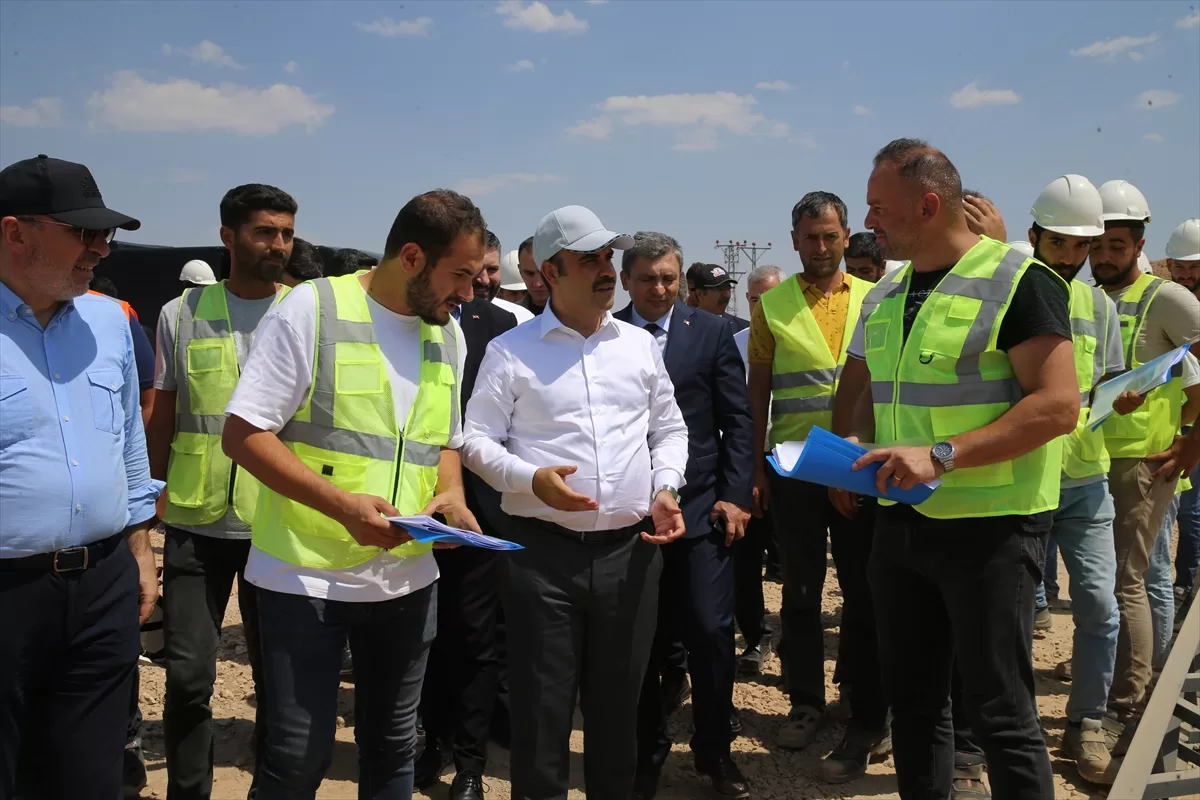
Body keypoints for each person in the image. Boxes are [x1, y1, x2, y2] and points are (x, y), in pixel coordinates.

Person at [221, 189, 481, 799]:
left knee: (394, 748)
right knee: (296, 756)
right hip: (303, 578)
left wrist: (451, 495)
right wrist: (343, 508)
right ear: (412, 258)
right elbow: (244, 434)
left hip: (407, 581)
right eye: (460, 275)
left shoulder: (447, 334)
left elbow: (444, 441)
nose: (470, 293)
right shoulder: (312, 309)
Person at [844, 138, 1079, 799]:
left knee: (1000, 712)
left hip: (991, 532)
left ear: (927, 205)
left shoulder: (1019, 281)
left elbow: (1058, 405)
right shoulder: (887, 293)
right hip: (901, 527)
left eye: (879, 207)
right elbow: (876, 391)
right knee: (915, 705)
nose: (870, 221)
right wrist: (856, 439)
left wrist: (941, 455)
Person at [462, 205, 689, 800]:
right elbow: (475, 440)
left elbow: (668, 428)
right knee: (542, 713)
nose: (606, 269)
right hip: (542, 560)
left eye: (608, 256)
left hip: (630, 555)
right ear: (550, 271)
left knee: (618, 712)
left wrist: (665, 487)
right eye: (589, 259)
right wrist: (529, 479)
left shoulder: (639, 346)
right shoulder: (511, 351)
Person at [0, 154, 160, 800]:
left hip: (101, 588)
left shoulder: (109, 322)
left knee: (90, 779)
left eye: (106, 234)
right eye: (83, 232)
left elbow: (127, 440)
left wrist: (140, 547)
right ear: (15, 233)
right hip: (7, 592)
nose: (101, 248)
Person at [147, 183, 297, 800]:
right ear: (228, 237)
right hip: (194, 520)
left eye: (286, 233)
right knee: (187, 678)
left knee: (278, 681)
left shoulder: (304, 312)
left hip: (276, 524)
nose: (278, 245)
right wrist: (149, 503)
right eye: (265, 232)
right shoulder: (181, 313)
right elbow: (164, 415)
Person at [748, 190, 889, 781]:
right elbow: (759, 385)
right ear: (795, 240)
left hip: (858, 465)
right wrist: (756, 464)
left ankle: (859, 697)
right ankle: (804, 702)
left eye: (831, 236)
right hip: (797, 467)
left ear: (846, 235)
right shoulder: (773, 305)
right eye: (811, 237)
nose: (822, 246)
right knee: (801, 591)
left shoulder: (877, 297)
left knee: (863, 588)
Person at [616, 231, 755, 800]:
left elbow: (736, 420)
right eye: (647, 278)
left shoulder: (713, 332)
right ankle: (646, 754)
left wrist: (736, 495)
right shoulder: (607, 334)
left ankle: (715, 751)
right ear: (626, 281)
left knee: (710, 631)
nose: (659, 288)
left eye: (669, 278)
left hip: (701, 510)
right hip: (632, 516)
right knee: (643, 642)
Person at [1021, 174, 1125, 784]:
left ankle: (1087, 720)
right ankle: (1012, 724)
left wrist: (1125, 396)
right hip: (1023, 477)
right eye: (1059, 242)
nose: (1071, 256)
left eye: (1081, 245)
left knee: (1100, 606)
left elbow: (1106, 379)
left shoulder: (1098, 305)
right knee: (1012, 613)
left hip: (1085, 476)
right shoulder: (1009, 292)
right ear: (1034, 235)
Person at [1090, 181, 1200, 732]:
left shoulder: (1168, 300)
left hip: (1140, 463)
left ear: (1139, 245)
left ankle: (1129, 703)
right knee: (1099, 584)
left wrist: (1191, 440)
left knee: (1127, 581)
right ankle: (1108, 678)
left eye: (1117, 245)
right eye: (1097, 245)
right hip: (1087, 459)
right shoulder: (1090, 298)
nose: (1105, 256)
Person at [415, 229, 519, 800]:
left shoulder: (504, 329)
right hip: (413, 508)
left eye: (490, 269)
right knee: (424, 637)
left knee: (476, 639)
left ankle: (470, 764)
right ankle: (428, 740)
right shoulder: (411, 319)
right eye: (472, 270)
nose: (482, 280)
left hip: (479, 514)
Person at [731, 264, 784, 675]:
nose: (762, 308)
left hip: (795, 463)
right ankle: (755, 636)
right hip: (750, 461)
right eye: (754, 300)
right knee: (746, 558)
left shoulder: (800, 342)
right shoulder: (734, 345)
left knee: (796, 561)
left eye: (771, 299)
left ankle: (796, 646)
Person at [1165, 219, 1200, 618]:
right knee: (1187, 509)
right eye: (1181, 266)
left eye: (1194, 266)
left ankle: (1186, 584)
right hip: (1179, 420)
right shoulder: (1171, 302)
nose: (1187, 273)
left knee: (1191, 511)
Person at [470, 232, 533, 322]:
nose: (484, 280)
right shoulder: (449, 316)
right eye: (477, 269)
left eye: (492, 269)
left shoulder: (522, 319)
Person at [686, 262, 749, 331]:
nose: (726, 294)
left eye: (728, 288)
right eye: (720, 289)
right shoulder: (683, 327)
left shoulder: (744, 329)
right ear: (700, 294)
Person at [516, 235, 549, 315]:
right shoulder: (512, 315)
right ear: (520, 272)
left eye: (543, 273)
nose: (538, 284)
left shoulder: (577, 313)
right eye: (529, 273)